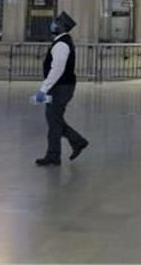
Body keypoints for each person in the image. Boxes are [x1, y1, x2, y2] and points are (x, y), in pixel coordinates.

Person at [33, 12, 90, 166]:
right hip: (60, 87)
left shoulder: (61, 44)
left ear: (63, 26)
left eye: (57, 22)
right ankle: (57, 153)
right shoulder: (61, 42)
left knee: (54, 119)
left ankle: (65, 148)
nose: (54, 24)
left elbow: (57, 70)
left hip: (60, 88)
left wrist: (43, 89)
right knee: (54, 120)